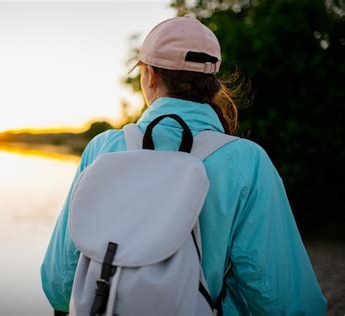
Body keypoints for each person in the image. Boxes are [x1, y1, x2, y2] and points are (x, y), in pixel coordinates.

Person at [41, 16, 327, 315]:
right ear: (213, 82)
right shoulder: (247, 161)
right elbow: (278, 297)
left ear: (150, 75)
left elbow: (59, 283)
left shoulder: (104, 149)